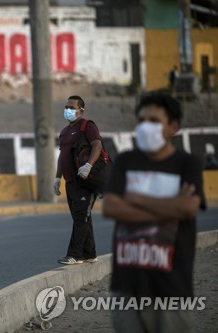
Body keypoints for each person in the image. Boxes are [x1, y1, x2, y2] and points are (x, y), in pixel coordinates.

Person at [102, 91, 206, 332]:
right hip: (126, 286)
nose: (145, 127)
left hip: (171, 289)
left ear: (173, 126)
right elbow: (110, 207)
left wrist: (134, 198)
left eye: (154, 121)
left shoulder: (187, 164)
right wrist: (171, 209)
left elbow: (189, 208)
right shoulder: (125, 160)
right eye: (141, 121)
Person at [54, 95, 103, 265]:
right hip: (70, 182)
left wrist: (88, 165)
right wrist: (57, 177)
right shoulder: (65, 132)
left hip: (85, 180)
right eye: (66, 107)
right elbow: (62, 156)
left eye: (71, 107)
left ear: (80, 111)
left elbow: (97, 145)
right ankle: (90, 253)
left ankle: (74, 254)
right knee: (81, 217)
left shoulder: (87, 126)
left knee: (81, 217)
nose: (67, 110)